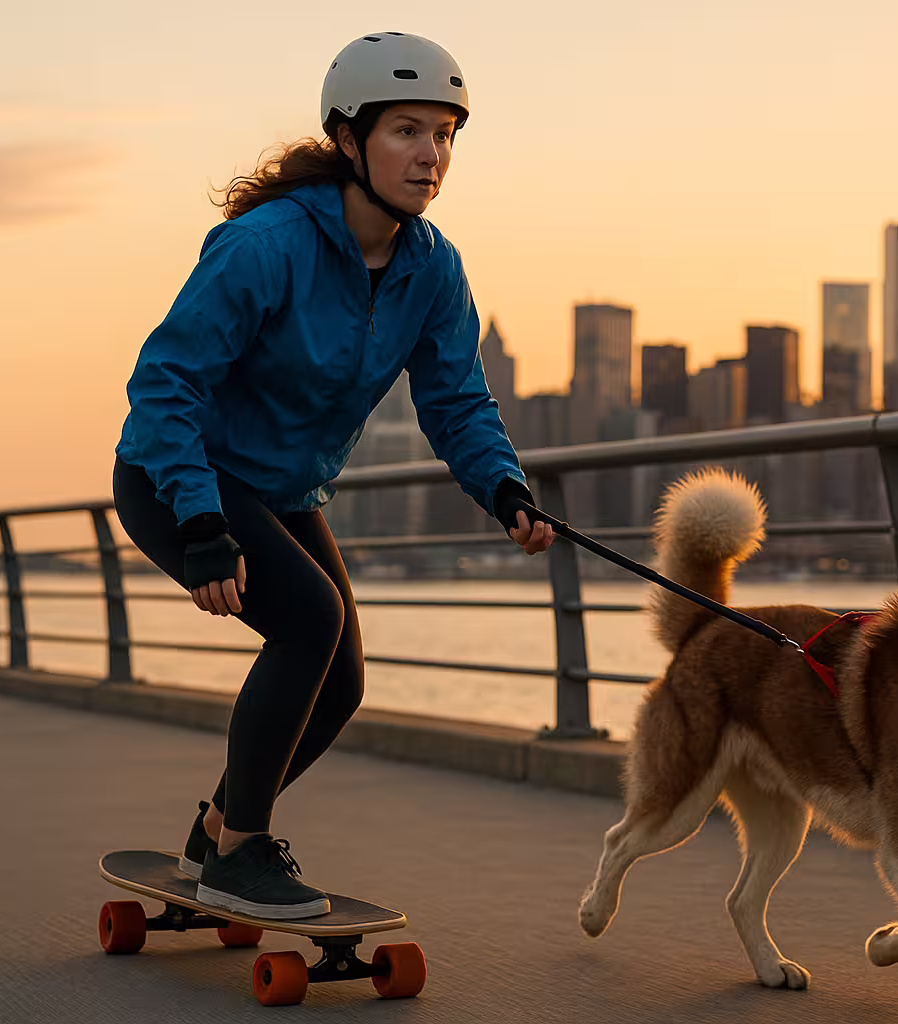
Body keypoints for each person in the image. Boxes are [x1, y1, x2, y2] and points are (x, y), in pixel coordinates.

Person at [112, 32, 554, 920]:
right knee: (309, 619)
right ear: (349, 140)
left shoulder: (432, 268)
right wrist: (201, 523)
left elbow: (457, 401)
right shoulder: (266, 245)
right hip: (178, 474)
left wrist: (502, 485)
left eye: (444, 134)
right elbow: (168, 383)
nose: (430, 155)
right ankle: (240, 852)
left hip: (278, 490)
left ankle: (215, 829)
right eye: (405, 131)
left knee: (341, 680)